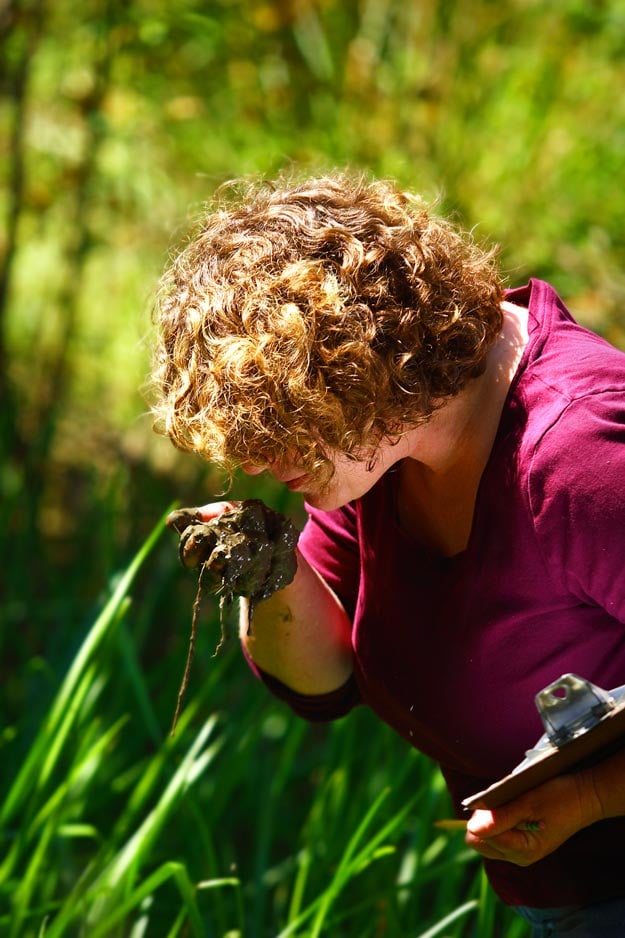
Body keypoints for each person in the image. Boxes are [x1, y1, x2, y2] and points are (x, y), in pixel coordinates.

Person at [151, 172, 625, 936]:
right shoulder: (386, 440)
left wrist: (591, 799)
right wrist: (272, 573)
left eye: (279, 425)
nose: (264, 461)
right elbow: (323, 680)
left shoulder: (577, 455)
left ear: (353, 361)